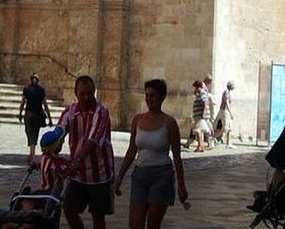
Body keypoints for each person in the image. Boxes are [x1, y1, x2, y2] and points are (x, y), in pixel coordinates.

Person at [114, 79, 189, 229]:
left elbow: (177, 156)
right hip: (140, 175)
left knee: (153, 224)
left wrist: (181, 185)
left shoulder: (169, 123)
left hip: (162, 176)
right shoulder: (137, 120)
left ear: (162, 97)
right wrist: (120, 175)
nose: (149, 98)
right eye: (147, 95)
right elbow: (131, 150)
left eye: (153, 95)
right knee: (135, 224)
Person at [59, 74, 116, 229]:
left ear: (94, 92)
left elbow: (93, 139)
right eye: (82, 93)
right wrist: (53, 144)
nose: (86, 97)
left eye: (89, 93)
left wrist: (77, 160)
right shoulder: (69, 112)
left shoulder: (101, 112)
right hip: (78, 175)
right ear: (75, 93)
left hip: (100, 174)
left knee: (98, 216)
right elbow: (61, 129)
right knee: (68, 208)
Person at [19, 73, 53, 164]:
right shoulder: (41, 90)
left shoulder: (27, 89)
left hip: (29, 114)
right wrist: (49, 117)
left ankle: (32, 154)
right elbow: (45, 104)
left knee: (29, 132)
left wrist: (20, 113)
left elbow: (22, 102)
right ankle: (32, 152)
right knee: (34, 133)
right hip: (37, 114)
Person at [185, 81, 211, 152]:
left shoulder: (203, 93)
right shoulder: (200, 94)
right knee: (200, 130)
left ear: (198, 87)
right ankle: (201, 145)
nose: (195, 89)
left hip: (200, 115)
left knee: (198, 130)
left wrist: (203, 114)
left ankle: (200, 146)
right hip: (198, 115)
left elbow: (205, 103)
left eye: (195, 87)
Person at [215, 80, 236, 149]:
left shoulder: (228, 92)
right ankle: (213, 138)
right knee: (225, 128)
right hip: (225, 111)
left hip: (226, 111)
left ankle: (228, 143)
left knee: (230, 127)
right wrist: (231, 113)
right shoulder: (226, 92)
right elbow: (227, 103)